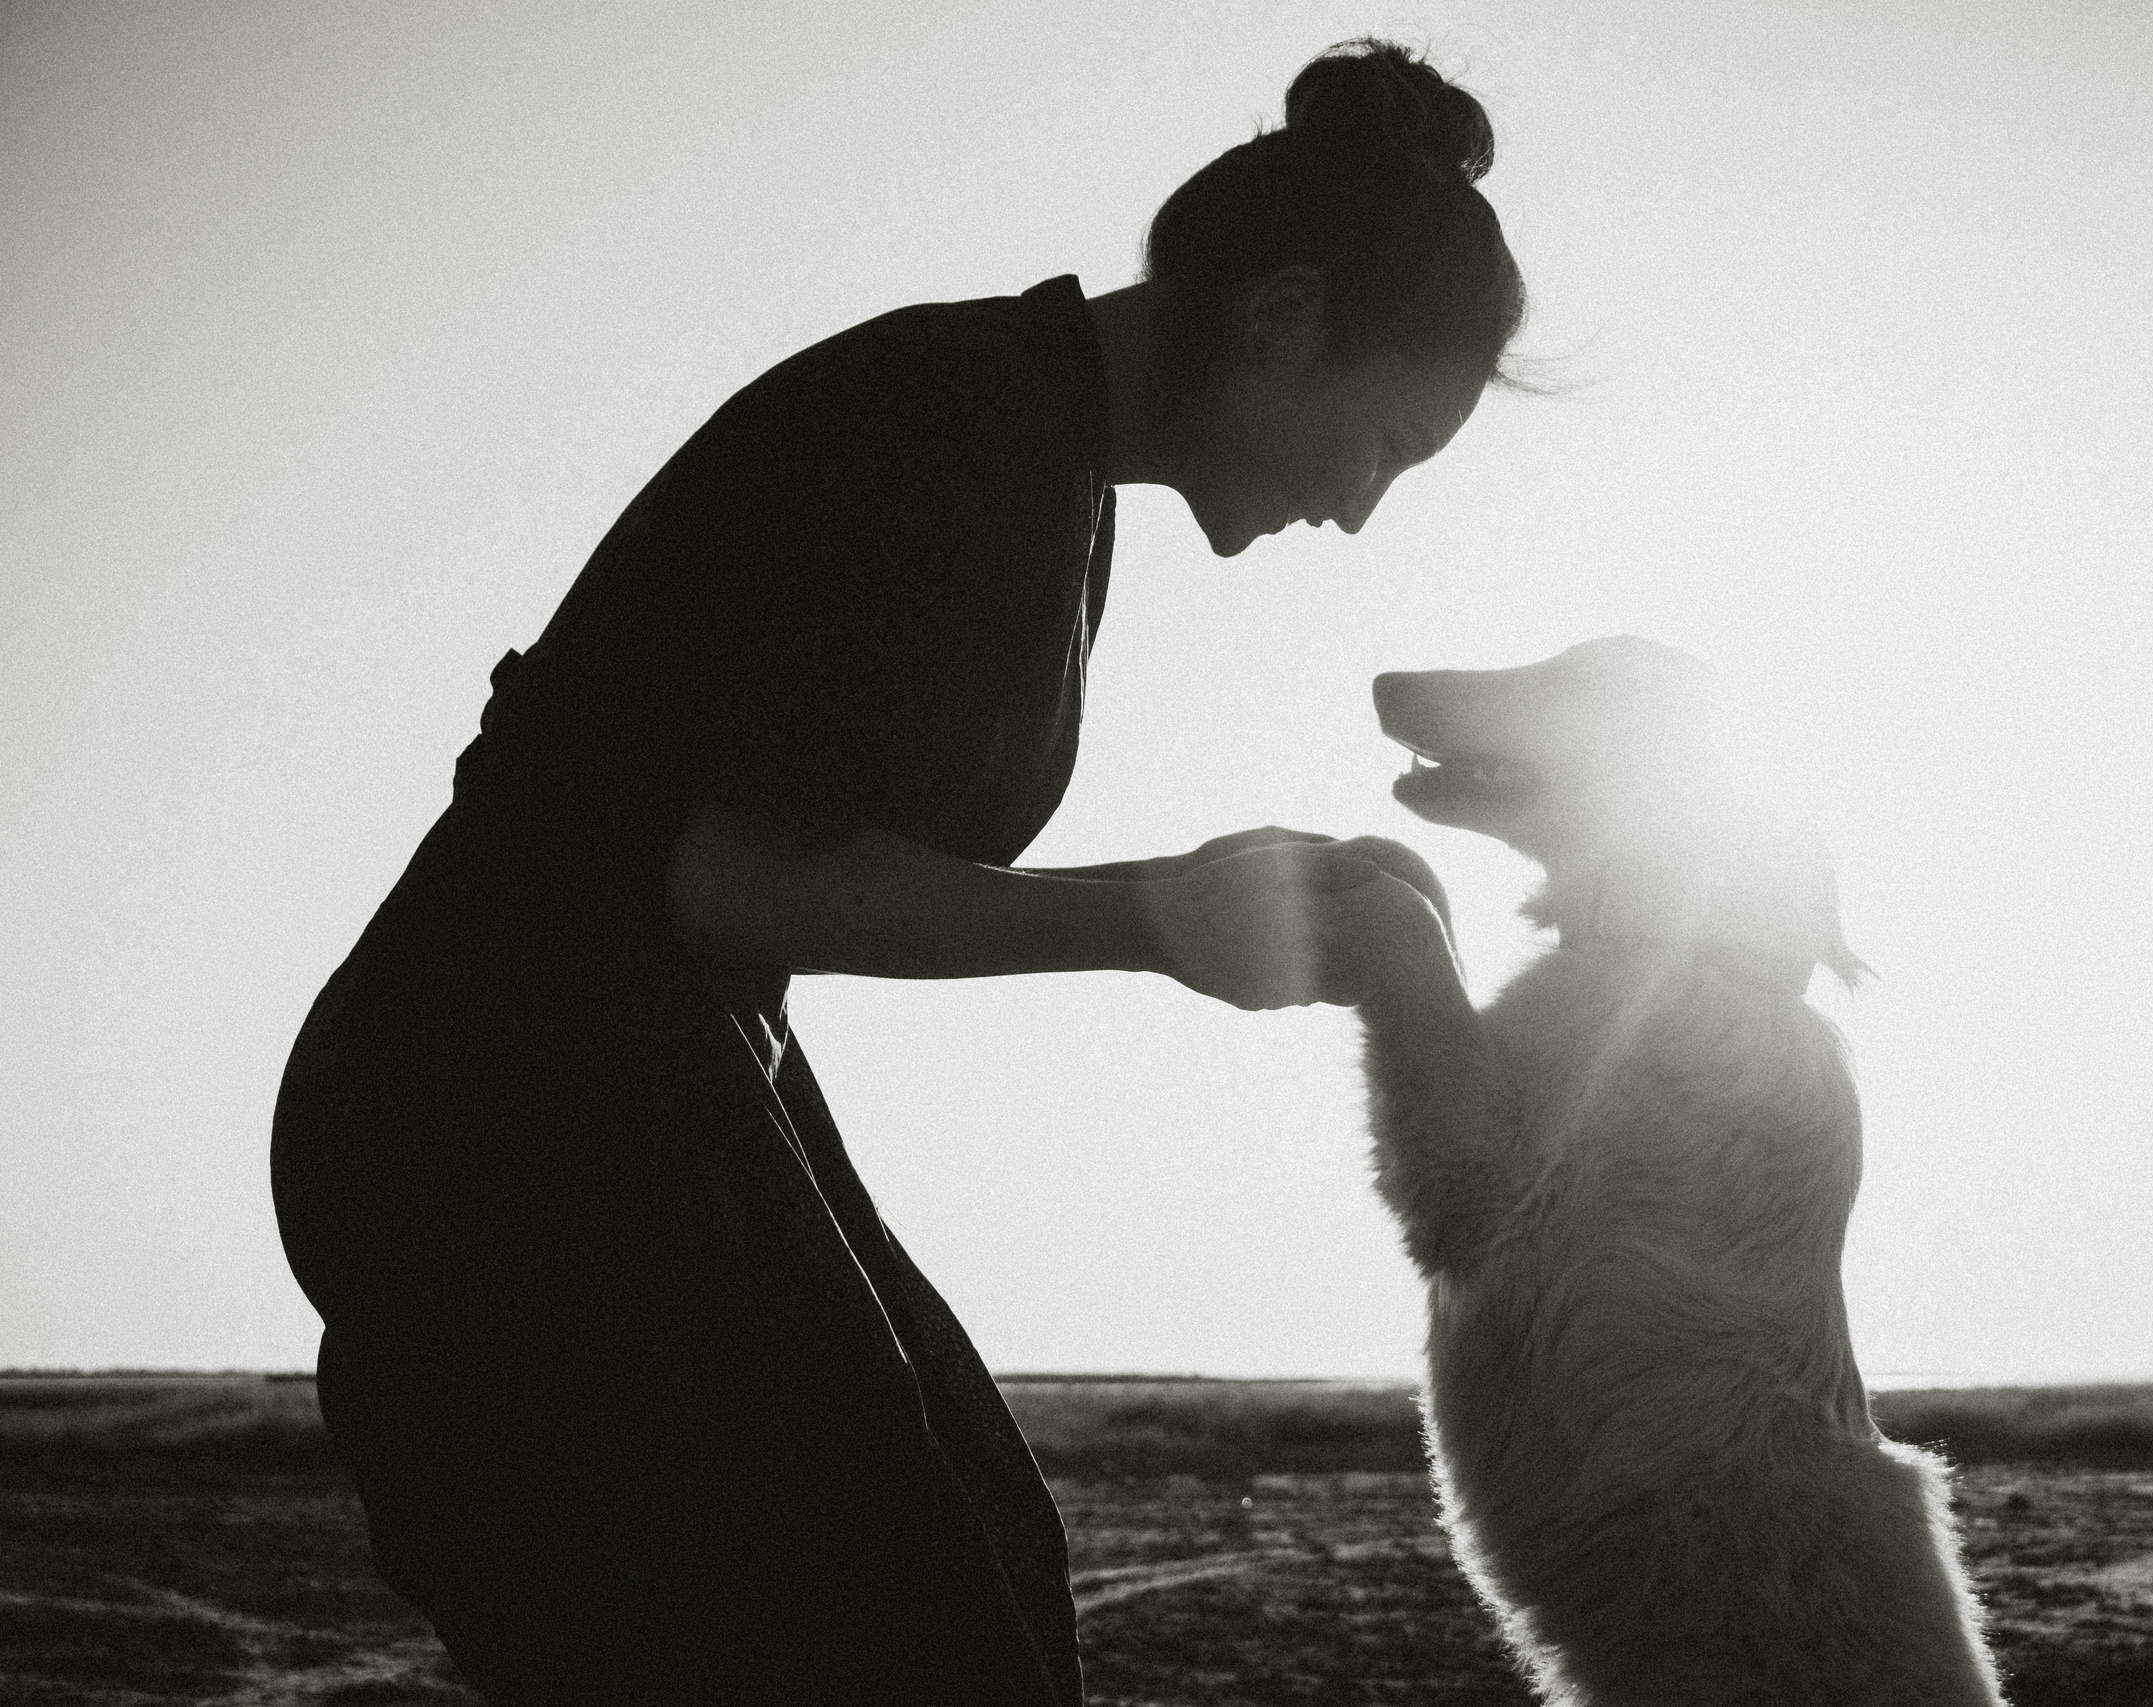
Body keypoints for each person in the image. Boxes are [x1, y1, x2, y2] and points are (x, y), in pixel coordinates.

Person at [270, 37, 1524, 1707]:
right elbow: (730, 880)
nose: (1360, 509)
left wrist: (1203, 889)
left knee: (983, 1558)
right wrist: (1153, 917)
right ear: (1283, 318)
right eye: (1382, 442)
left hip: (634, 1075)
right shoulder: (957, 432)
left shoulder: (1043, 454)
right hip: (488, 1110)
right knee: (897, 1629)